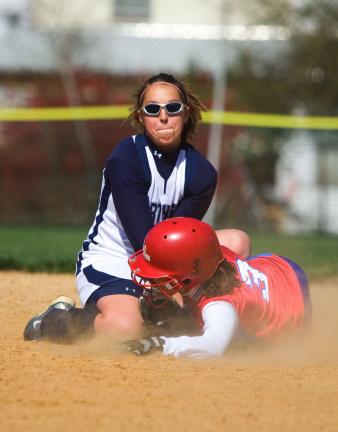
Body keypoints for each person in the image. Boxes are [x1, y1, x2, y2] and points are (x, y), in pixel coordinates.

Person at [23, 73, 250, 344]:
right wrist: (172, 294)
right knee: (124, 328)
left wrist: (172, 289)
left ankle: (221, 319)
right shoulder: (127, 159)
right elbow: (144, 239)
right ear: (142, 117)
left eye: (173, 108)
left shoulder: (201, 173)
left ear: (186, 113)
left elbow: (180, 236)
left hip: (166, 261)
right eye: (152, 109)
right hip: (115, 259)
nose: (163, 116)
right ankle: (53, 321)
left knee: (238, 241)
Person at [125, 217, 312, 359]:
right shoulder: (212, 256)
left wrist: (161, 344)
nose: (153, 280)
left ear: (190, 277)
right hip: (277, 267)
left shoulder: (219, 305)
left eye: (160, 274)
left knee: (236, 344)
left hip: (293, 309)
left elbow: (213, 346)